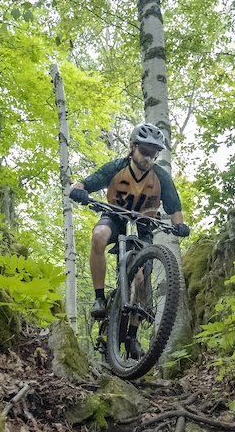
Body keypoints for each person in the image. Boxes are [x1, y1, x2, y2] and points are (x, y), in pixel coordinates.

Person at [69, 122, 190, 325]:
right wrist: (78, 190)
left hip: (144, 225)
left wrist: (180, 225)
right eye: (144, 151)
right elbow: (85, 183)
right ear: (132, 147)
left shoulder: (161, 177)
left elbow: (174, 209)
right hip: (115, 216)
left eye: (154, 154)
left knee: (141, 278)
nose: (148, 158)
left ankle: (133, 331)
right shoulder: (117, 167)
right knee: (98, 235)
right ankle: (99, 298)